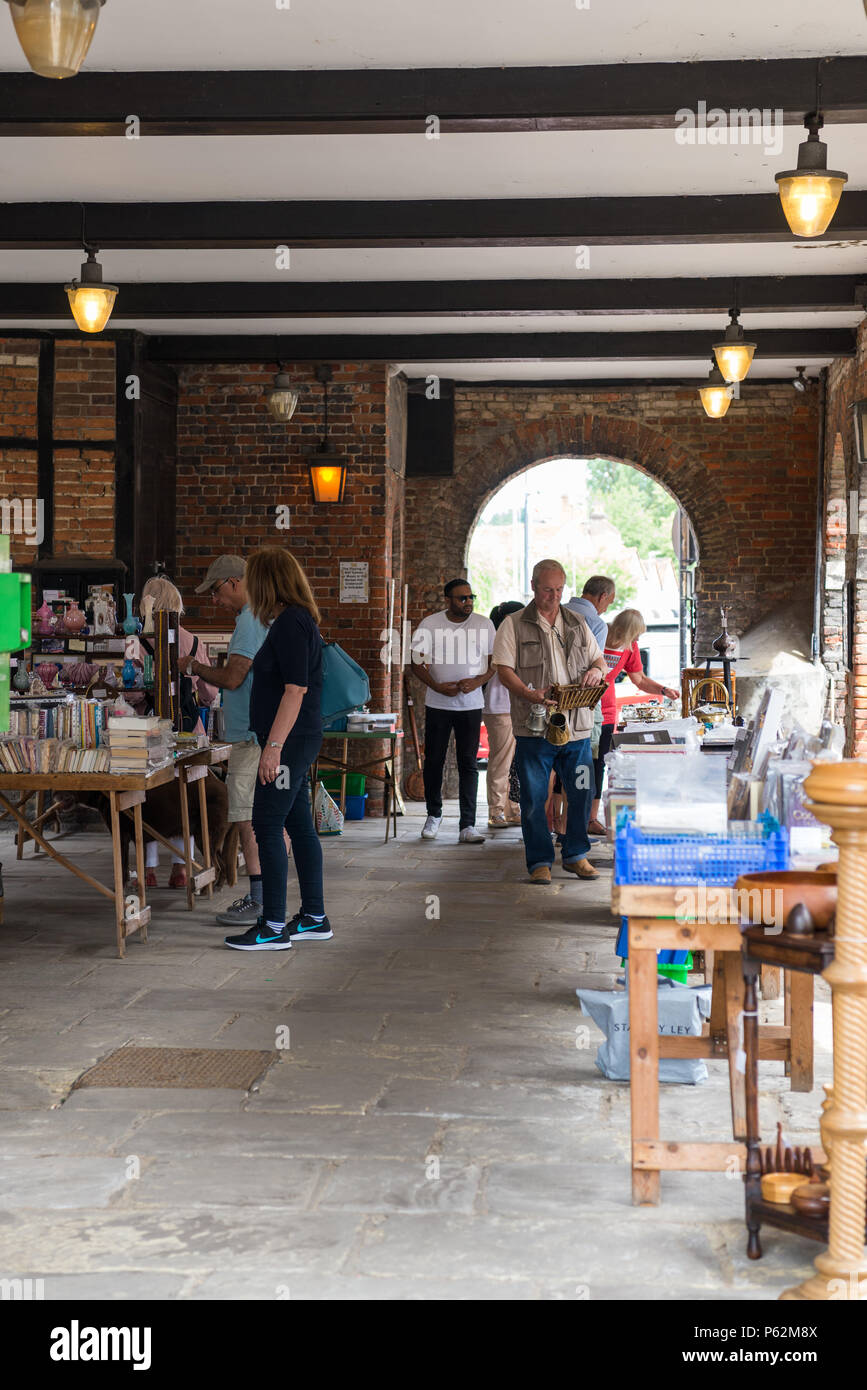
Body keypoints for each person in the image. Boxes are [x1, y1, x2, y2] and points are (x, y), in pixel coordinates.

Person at [223, 547, 329, 951]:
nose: (248, 587)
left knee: (267, 824)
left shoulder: (290, 624)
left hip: (289, 742)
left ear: (268, 582)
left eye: (252, 578)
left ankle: (271, 926)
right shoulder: (294, 621)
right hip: (294, 740)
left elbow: (295, 690)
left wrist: (273, 748)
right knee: (299, 824)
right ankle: (315, 917)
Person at [493, 559, 607, 885]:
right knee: (533, 796)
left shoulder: (577, 621)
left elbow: (598, 659)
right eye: (547, 590)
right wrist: (531, 695)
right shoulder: (513, 624)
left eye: (559, 590)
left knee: (583, 790)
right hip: (534, 726)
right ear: (533, 586)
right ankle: (539, 861)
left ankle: (575, 855)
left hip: (578, 727)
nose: (554, 596)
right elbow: (504, 671)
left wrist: (596, 670)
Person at [187, 554, 271, 928]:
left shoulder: (250, 621)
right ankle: (269, 897)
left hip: (251, 737)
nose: (215, 601)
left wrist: (193, 667)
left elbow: (235, 678)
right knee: (262, 819)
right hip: (255, 733)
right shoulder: (258, 617)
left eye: (217, 592)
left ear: (235, 583)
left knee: (247, 818)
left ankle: (260, 901)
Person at [140, 576, 219, 888]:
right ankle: (181, 869)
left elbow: (132, 694)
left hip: (147, 732)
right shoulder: (195, 642)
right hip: (189, 733)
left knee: (145, 798)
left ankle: (147, 869)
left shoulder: (138, 642)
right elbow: (211, 694)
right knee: (187, 799)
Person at [411, 578, 495, 844]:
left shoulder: (484, 624)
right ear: (447, 600)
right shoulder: (431, 624)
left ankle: (467, 825)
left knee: (468, 763)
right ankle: (433, 815)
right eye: (461, 598)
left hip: (471, 706)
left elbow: (496, 662)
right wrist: (436, 685)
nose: (467, 602)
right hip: (438, 704)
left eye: (471, 597)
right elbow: (416, 662)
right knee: (434, 760)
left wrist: (478, 681)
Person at [588, 608, 680, 836]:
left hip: (608, 710)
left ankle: (591, 818)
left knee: (599, 763)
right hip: (584, 707)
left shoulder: (630, 648)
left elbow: (638, 679)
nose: (638, 639)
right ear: (626, 630)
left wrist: (663, 690)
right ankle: (560, 818)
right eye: (636, 634)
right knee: (577, 765)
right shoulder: (597, 635)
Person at [484, 601, 524, 828]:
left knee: (515, 764)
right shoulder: (497, 639)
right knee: (501, 762)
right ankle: (496, 811)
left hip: (517, 705)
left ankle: (512, 809)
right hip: (500, 706)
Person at [565, 575, 617, 647]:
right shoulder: (598, 625)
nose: (605, 610)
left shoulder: (555, 610)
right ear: (603, 597)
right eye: (608, 603)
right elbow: (595, 658)